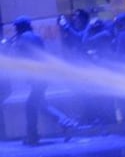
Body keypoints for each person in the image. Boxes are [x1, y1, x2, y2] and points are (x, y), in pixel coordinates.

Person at [12, 16, 77, 145]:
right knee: (40, 104)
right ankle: (65, 124)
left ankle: (33, 136)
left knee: (31, 106)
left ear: (20, 27)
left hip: (36, 77)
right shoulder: (34, 36)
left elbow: (21, 56)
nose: (15, 30)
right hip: (42, 75)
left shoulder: (23, 38)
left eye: (16, 27)